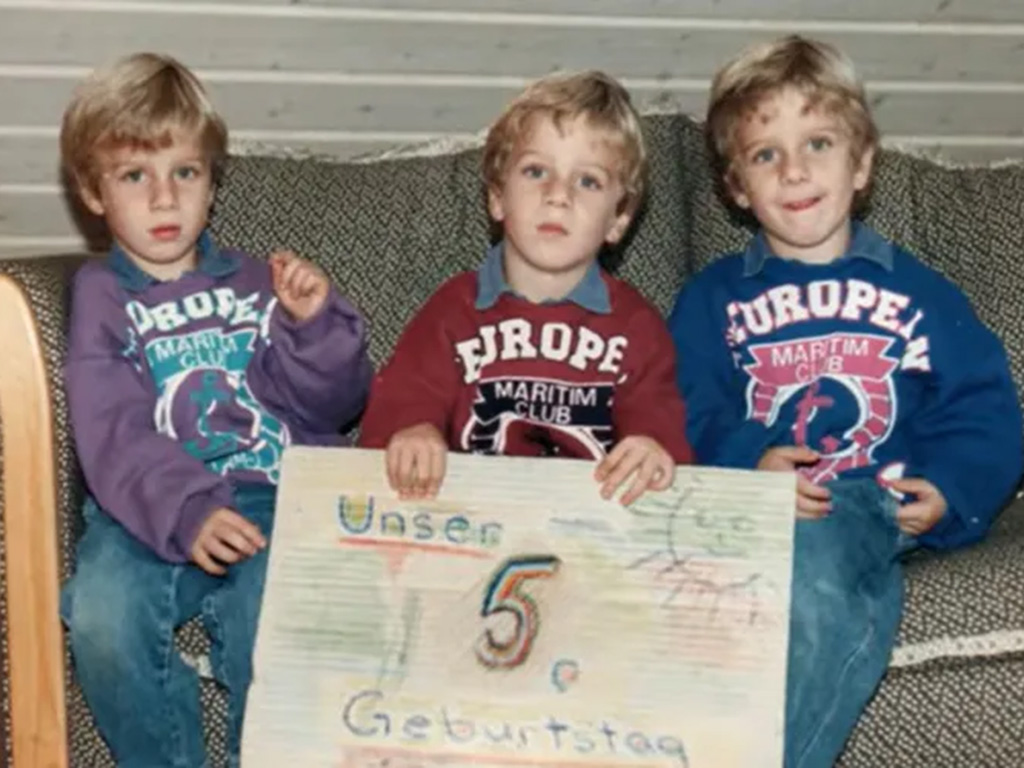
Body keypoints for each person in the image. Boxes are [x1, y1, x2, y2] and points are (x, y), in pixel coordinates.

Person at [669, 35, 1023, 767]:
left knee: (821, 581)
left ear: (861, 165)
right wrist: (746, 463)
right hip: (752, 514)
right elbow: (683, 404)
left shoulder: (917, 292)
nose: (794, 169)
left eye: (819, 143)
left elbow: (984, 406)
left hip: (865, 499)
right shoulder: (712, 300)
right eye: (766, 154)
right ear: (737, 186)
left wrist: (953, 490)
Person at [58, 52, 372, 768]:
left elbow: (338, 403)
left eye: (185, 173)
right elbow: (112, 428)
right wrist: (188, 508)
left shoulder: (265, 282)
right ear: (94, 192)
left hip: (276, 497)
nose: (164, 200)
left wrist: (312, 326)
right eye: (136, 176)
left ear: (212, 181)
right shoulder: (103, 296)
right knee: (101, 617)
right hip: (151, 508)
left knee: (279, 616)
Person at [360, 70, 692, 504]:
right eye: (536, 171)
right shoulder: (453, 309)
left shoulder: (637, 326)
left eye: (587, 181)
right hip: (472, 520)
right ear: (497, 197)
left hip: (591, 526)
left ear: (618, 220)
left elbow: (660, 417)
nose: (558, 195)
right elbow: (405, 394)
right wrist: (413, 429)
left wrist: (652, 446)